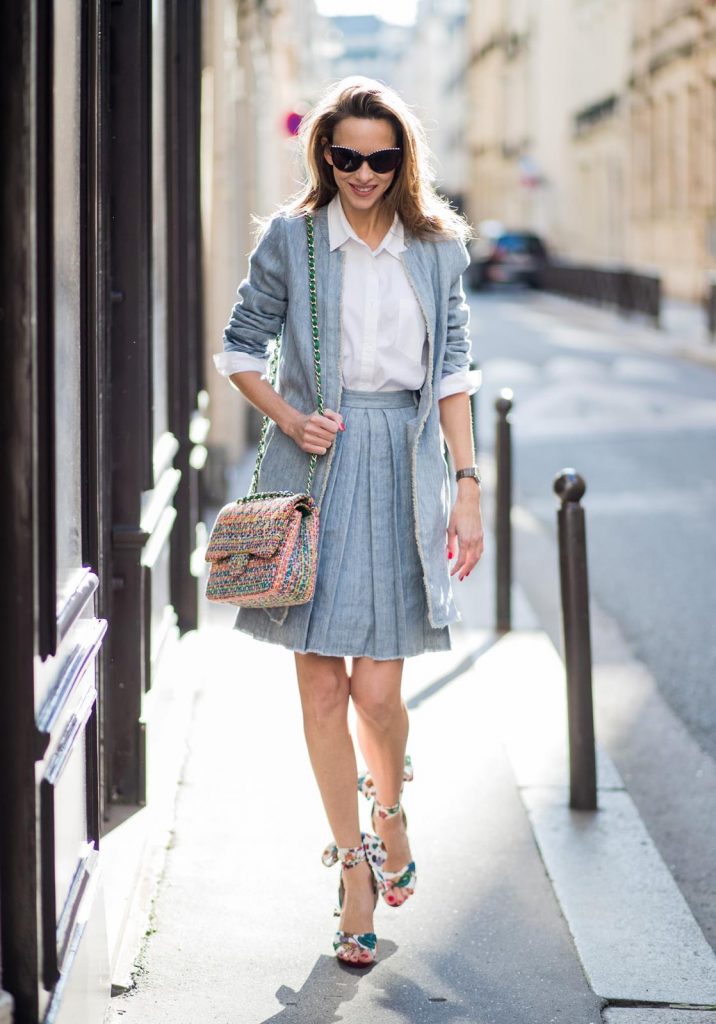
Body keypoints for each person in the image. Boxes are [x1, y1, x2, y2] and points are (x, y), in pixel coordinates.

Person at [213, 76, 484, 966]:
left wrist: (471, 484)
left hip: (404, 473)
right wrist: (288, 418)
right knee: (324, 688)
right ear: (323, 156)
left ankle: (392, 807)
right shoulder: (294, 240)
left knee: (379, 693)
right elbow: (240, 345)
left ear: (403, 157)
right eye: (345, 157)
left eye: (380, 157)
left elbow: (452, 371)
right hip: (315, 474)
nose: (363, 173)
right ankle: (356, 868)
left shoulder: (438, 247)